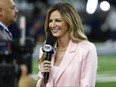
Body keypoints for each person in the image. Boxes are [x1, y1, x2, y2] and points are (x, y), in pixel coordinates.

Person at [36, 2, 98, 87]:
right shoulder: (45, 50)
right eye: (50, 21)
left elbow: (87, 85)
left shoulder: (86, 49)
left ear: (69, 22)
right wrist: (43, 78)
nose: (52, 25)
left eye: (58, 20)